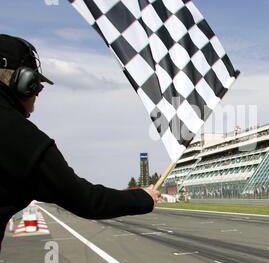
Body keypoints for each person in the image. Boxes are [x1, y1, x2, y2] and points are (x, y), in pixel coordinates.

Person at [0, 34, 161, 249]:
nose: (38, 93)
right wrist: (143, 198)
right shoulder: (23, 139)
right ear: (23, 82)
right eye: (37, 85)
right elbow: (86, 200)